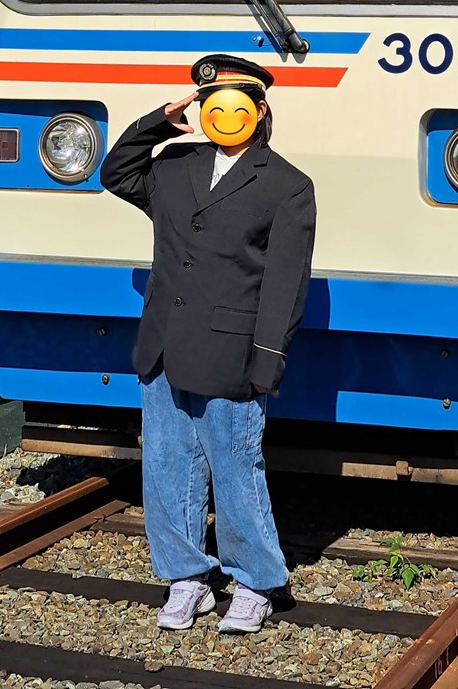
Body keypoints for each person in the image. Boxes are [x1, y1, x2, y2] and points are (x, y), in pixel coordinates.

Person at [99, 54, 316, 635]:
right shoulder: (174, 165)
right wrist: (159, 119)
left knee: (234, 464)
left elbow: (285, 283)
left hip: (233, 351)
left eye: (236, 99)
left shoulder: (287, 185)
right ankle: (186, 578)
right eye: (210, 99)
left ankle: (255, 582)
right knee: (168, 466)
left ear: (260, 109)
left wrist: (268, 360)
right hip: (163, 346)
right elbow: (115, 172)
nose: (223, 110)